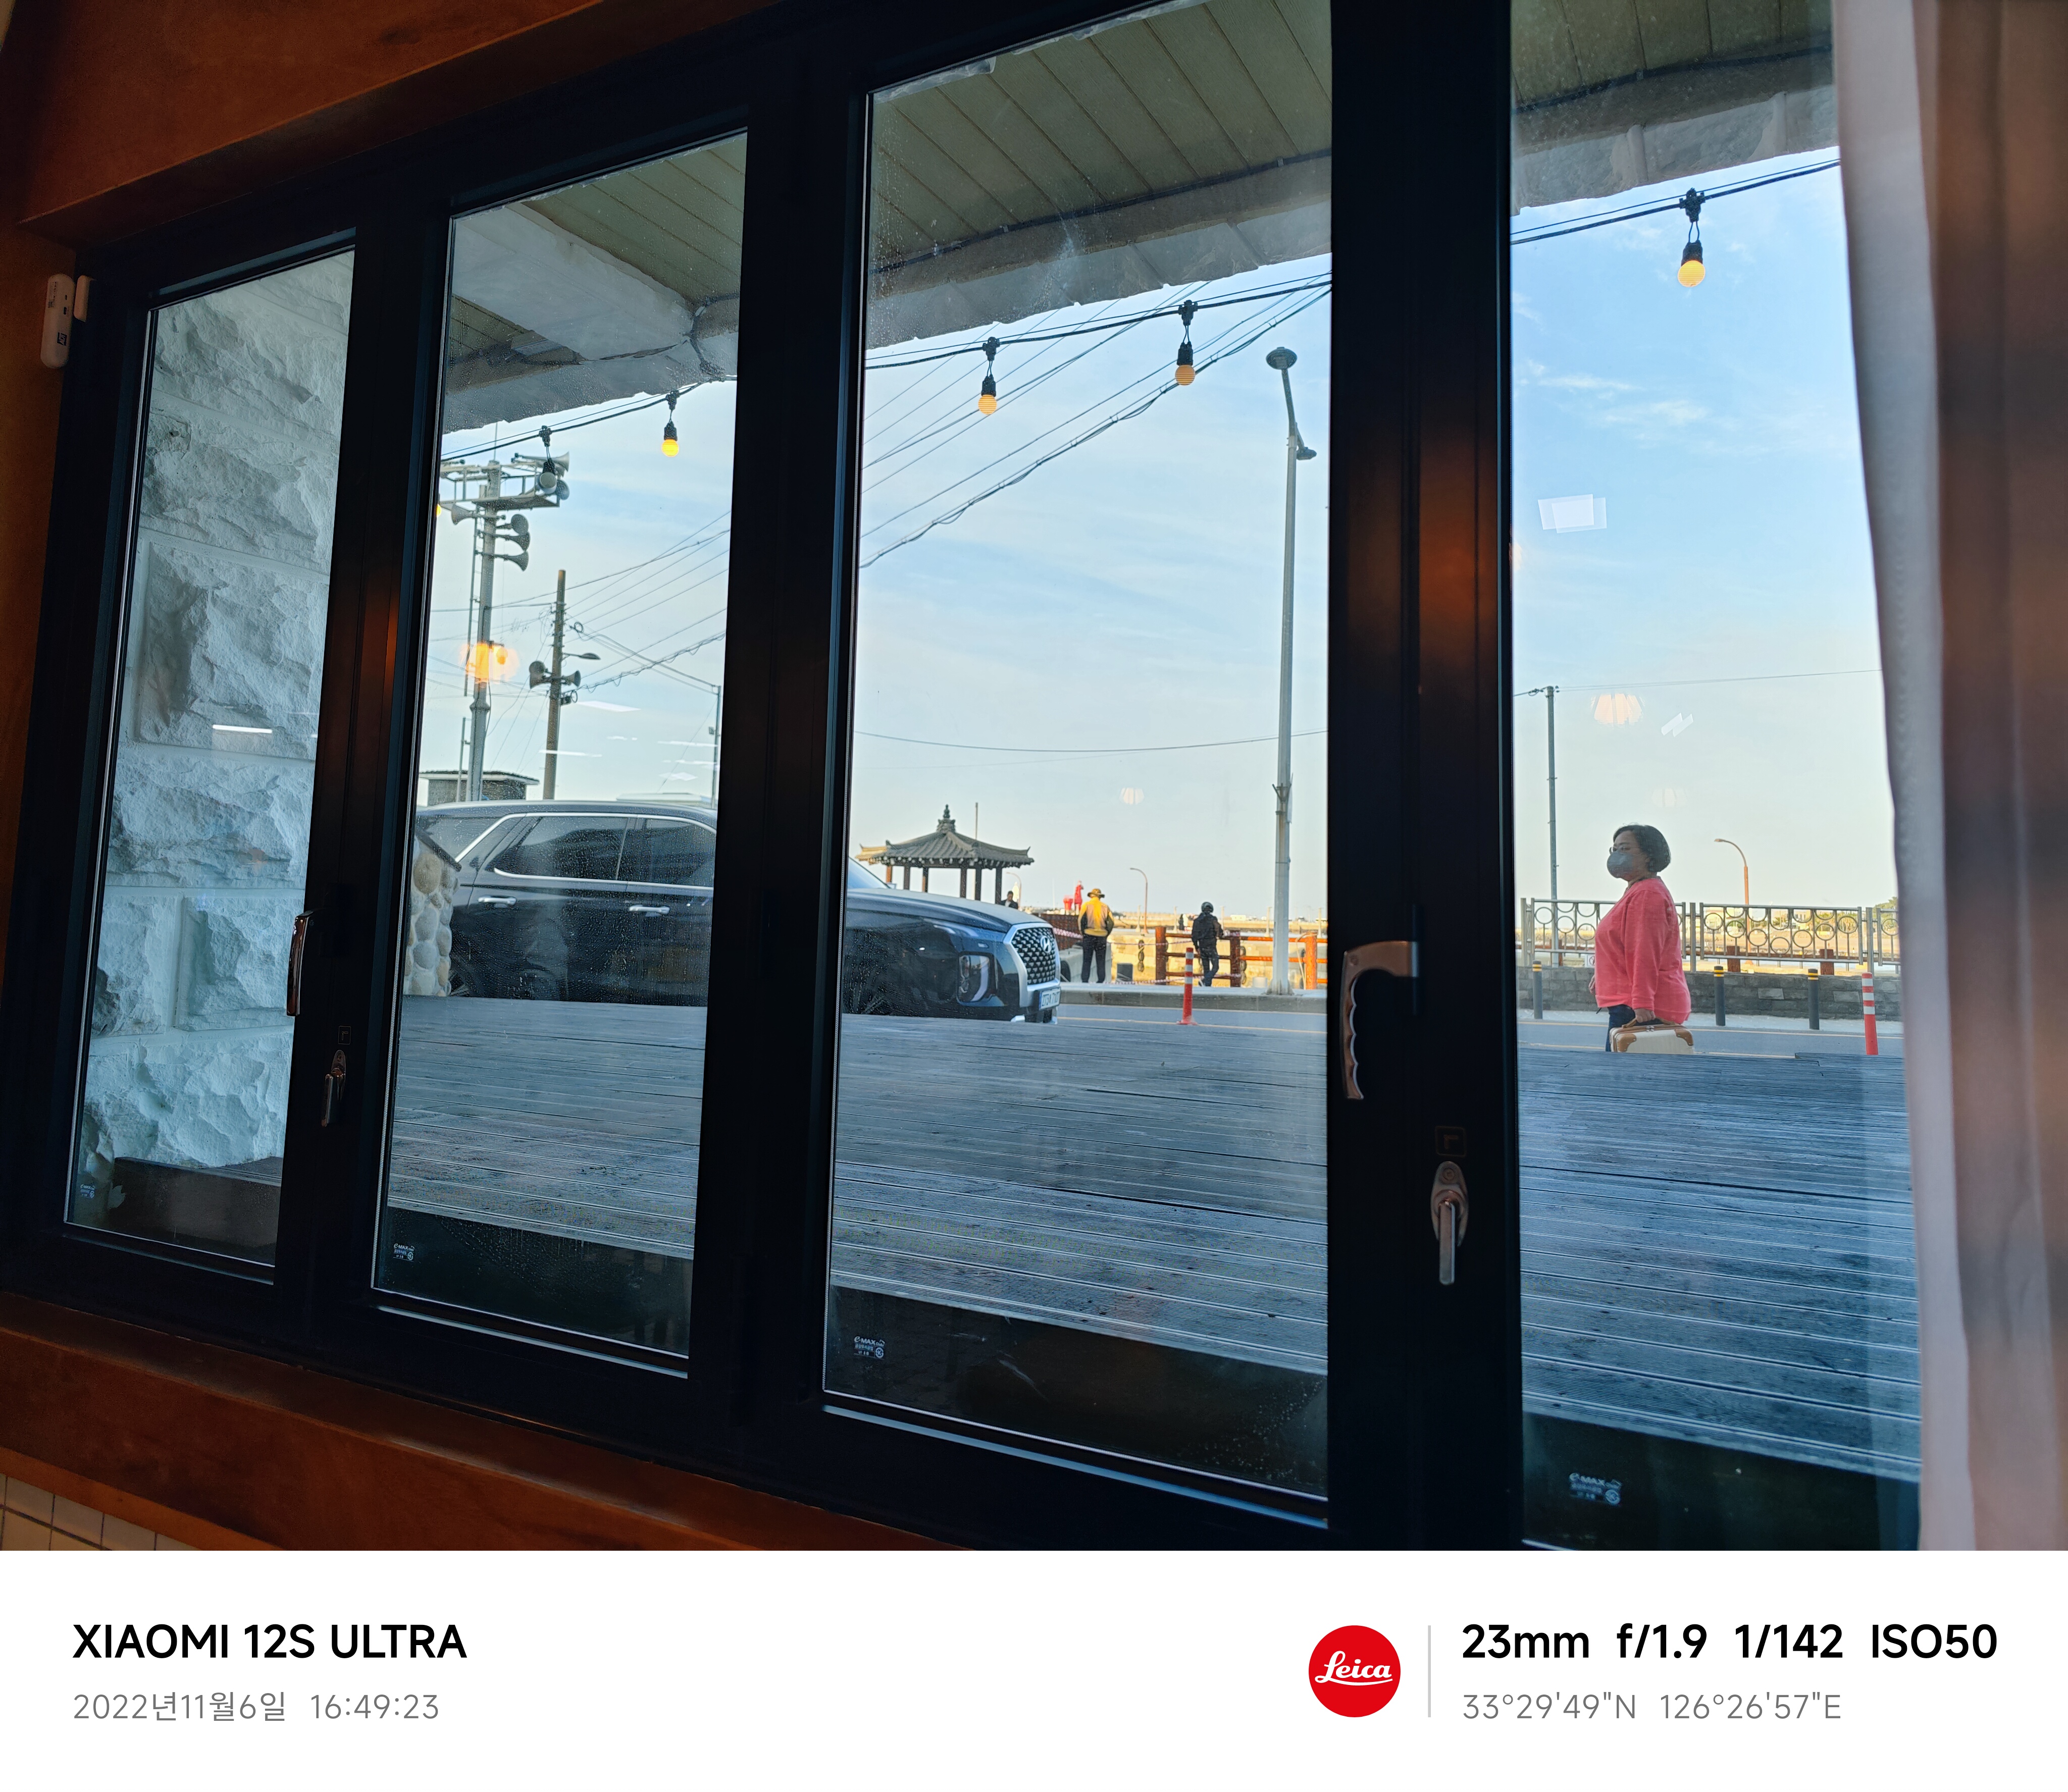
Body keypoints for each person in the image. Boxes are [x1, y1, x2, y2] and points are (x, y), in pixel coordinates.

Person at [1592, 823, 1691, 1049]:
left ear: (1649, 855)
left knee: (1626, 1071)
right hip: (1631, 1004)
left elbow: (1645, 953)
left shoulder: (1647, 894)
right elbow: (1624, 946)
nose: (1617, 855)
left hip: (1641, 1010)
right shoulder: (1638, 890)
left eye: (1625, 849)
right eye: (1614, 849)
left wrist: (1643, 1003)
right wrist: (1602, 974)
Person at [1077, 886, 1114, 983]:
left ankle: (1085, 980)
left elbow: (1081, 920)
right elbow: (1111, 922)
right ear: (1100, 897)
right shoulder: (1105, 907)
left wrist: (1083, 932)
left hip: (1089, 935)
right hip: (1102, 937)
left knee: (1087, 960)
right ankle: (1101, 980)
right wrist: (1106, 933)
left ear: (1091, 896)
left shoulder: (1086, 906)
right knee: (1101, 960)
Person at [1190, 901, 1223, 987]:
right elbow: (1219, 931)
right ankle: (1206, 981)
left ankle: (1206, 985)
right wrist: (1220, 935)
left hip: (1202, 946)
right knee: (1215, 967)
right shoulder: (1213, 919)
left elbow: (1194, 936)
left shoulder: (1197, 921)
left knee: (1206, 968)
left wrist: (1196, 947)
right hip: (1211, 946)